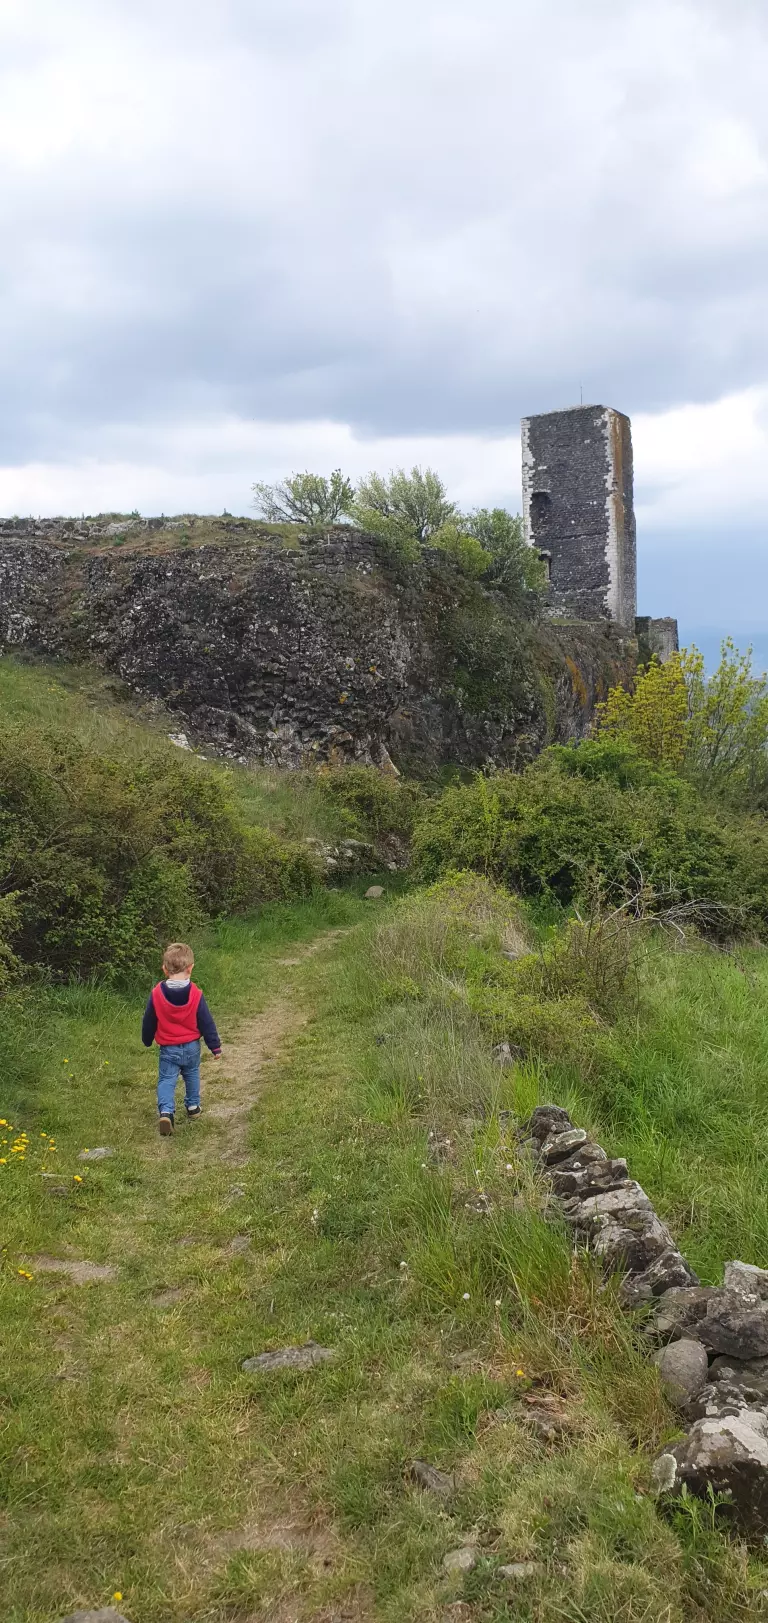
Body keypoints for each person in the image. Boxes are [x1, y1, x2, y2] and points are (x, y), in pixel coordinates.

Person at [142, 942, 222, 1136]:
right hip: (192, 1046)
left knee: (167, 1079)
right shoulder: (196, 994)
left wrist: (147, 1039)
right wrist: (215, 1046)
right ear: (190, 968)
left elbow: (149, 1019)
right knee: (192, 1074)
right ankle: (193, 1107)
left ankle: (166, 1112)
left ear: (164, 969)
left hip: (169, 1048)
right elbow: (206, 1022)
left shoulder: (157, 994)